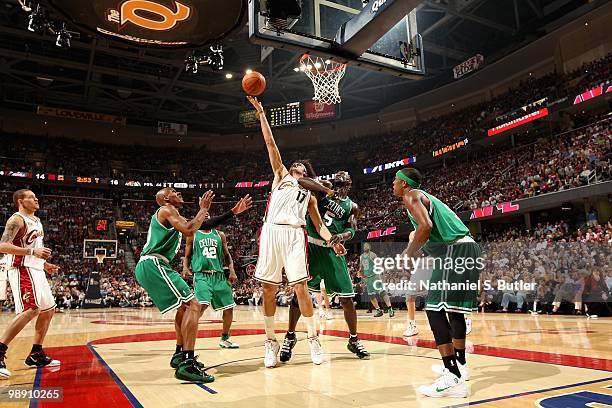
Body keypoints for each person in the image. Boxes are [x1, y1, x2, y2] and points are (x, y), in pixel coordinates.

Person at [247, 96, 343, 368]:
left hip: (294, 235)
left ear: (307, 174)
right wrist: (262, 113)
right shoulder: (281, 176)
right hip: (271, 232)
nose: (295, 166)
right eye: (294, 165)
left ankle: (313, 339)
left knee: (301, 288)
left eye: (300, 167)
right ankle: (270, 342)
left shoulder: (310, 197)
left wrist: (333, 241)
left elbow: (322, 227)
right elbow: (270, 143)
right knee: (268, 289)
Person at [135, 188, 251, 383]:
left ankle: (180, 354)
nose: (178, 192)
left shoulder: (175, 215)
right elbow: (191, 229)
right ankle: (188, 363)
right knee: (193, 305)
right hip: (154, 263)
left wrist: (232, 212)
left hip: (153, 265)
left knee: (184, 307)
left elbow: (203, 224)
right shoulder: (166, 209)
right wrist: (203, 208)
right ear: (165, 199)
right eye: (172, 191)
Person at [393, 168, 482, 398]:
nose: (392, 184)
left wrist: (409, 254)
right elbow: (428, 233)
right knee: (454, 312)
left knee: (434, 309)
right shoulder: (427, 198)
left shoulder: (411, 196)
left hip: (455, 250)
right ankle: (460, 365)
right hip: (468, 247)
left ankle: (452, 376)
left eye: (395, 180)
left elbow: (426, 227)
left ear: (404, 183)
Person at [280, 174, 370, 362]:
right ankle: (290, 335)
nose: (339, 187)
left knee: (347, 299)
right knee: (299, 295)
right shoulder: (323, 192)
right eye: (337, 184)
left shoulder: (352, 207)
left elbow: (352, 229)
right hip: (312, 247)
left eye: (342, 185)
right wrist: (324, 188)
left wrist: (343, 236)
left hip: (332, 249)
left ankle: (353, 340)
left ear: (349, 185)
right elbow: (301, 181)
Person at [0, 189, 60, 379]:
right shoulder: (16, 220)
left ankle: (36, 354)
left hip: (35, 269)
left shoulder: (37, 220)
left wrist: (44, 264)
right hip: (21, 268)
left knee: (48, 310)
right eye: (31, 197)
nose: (36, 199)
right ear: (20, 201)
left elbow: (35, 248)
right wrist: (33, 254)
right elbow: (2, 246)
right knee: (32, 309)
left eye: (36, 196)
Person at [178, 213, 240, 357]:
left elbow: (226, 255)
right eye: (202, 215)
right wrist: (185, 268)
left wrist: (231, 271)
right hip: (202, 275)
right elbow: (187, 255)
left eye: (208, 215)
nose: (205, 217)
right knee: (200, 307)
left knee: (229, 309)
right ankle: (186, 341)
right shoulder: (192, 234)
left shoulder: (220, 235)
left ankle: (225, 338)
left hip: (218, 275)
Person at [358, 243, 394, 317]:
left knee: (382, 292)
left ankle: (390, 308)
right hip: (367, 278)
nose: (366, 247)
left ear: (370, 247)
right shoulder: (361, 256)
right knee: (371, 295)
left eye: (367, 246)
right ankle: (378, 310)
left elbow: (379, 264)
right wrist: (361, 274)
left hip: (375, 276)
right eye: (364, 246)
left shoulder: (373, 255)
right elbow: (361, 267)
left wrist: (379, 274)